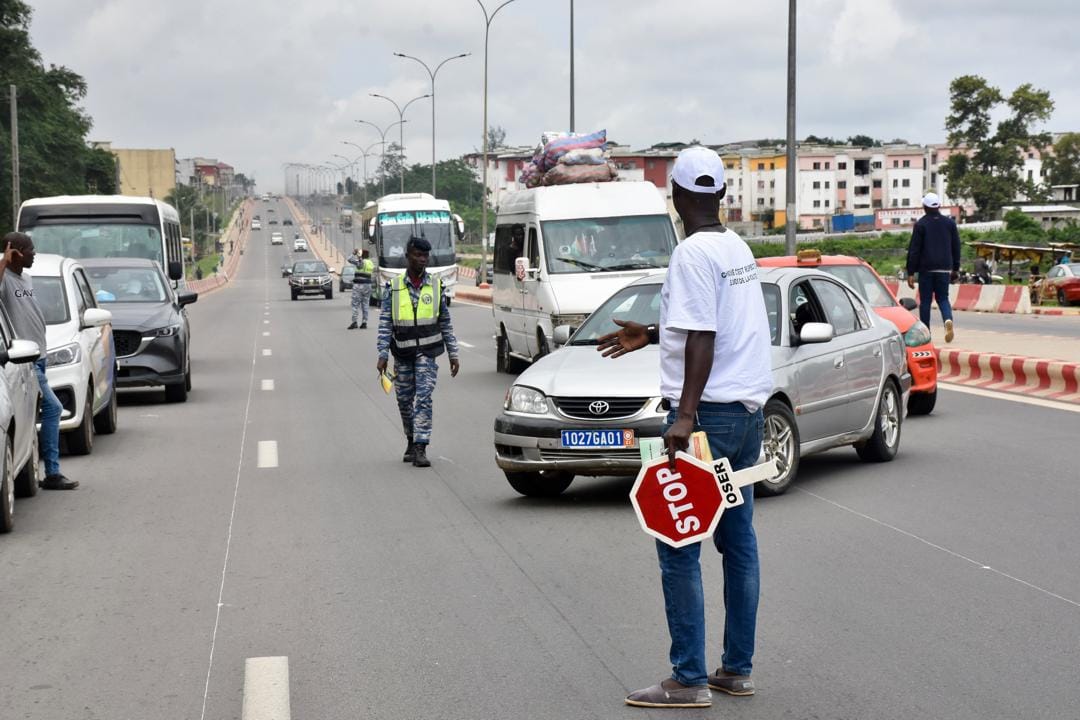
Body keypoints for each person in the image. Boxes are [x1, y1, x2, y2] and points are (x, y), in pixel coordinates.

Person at [596, 147, 772, 709]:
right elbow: (702, 323)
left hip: (709, 418)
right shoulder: (735, 247)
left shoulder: (692, 255)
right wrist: (650, 334)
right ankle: (735, 670)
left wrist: (686, 416)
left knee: (679, 545)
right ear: (721, 195)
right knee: (738, 541)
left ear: (674, 196)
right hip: (746, 415)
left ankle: (688, 678)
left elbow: (703, 337)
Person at [0, 233, 76, 490]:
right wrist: (3, 260)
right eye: (30, 250)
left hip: (39, 357)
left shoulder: (26, 277)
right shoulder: (5, 279)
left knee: (30, 415)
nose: (34, 254)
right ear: (17, 252)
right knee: (54, 409)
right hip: (24, 363)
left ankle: (32, 471)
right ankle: (52, 473)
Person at [376, 237, 460, 468]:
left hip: (427, 353)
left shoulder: (435, 285)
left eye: (425, 256)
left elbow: (445, 321)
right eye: (417, 255)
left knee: (423, 398)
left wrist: (453, 353)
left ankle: (421, 447)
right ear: (408, 256)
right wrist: (383, 353)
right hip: (401, 353)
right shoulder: (393, 287)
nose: (422, 260)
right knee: (404, 400)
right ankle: (411, 440)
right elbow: (385, 323)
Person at [906, 192, 960, 343]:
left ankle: (926, 332)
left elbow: (914, 249)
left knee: (925, 301)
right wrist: (955, 268)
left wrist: (910, 272)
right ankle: (947, 320)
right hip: (944, 268)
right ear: (939, 206)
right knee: (943, 298)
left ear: (924, 207)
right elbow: (956, 247)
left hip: (926, 270)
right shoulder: (950, 224)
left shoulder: (921, 224)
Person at [347, 249, 374, 329]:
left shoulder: (361, 262)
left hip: (359, 285)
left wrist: (354, 253)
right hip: (368, 285)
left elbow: (350, 260)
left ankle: (354, 322)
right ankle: (364, 322)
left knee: (355, 304)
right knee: (365, 304)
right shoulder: (370, 263)